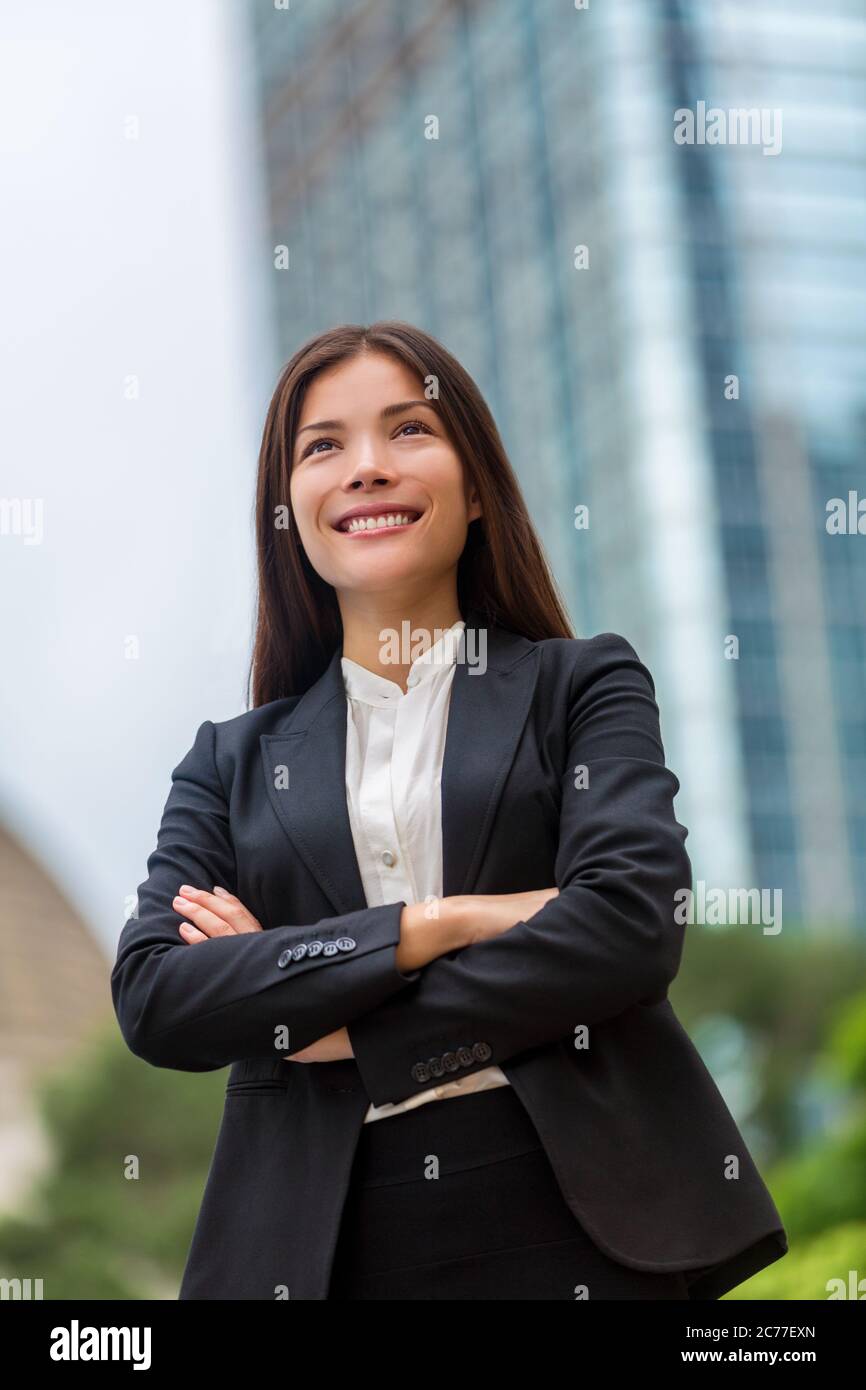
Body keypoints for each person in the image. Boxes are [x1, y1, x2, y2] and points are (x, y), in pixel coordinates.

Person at [111, 320, 788, 1300]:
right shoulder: (231, 763)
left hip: (586, 1226)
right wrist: (442, 923)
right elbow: (161, 998)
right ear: (287, 509)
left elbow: (627, 928)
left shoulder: (580, 685)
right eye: (324, 446)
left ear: (475, 490)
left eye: (409, 429)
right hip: (314, 1250)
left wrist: (338, 1024)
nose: (367, 467)